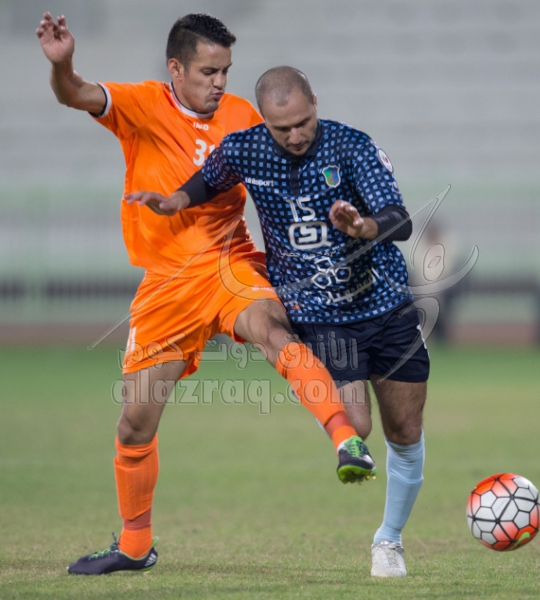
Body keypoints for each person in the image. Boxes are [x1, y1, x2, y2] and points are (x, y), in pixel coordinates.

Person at [37, 17, 376, 576]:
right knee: (134, 425)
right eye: (208, 71)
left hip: (229, 263)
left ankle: (345, 440)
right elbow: (74, 93)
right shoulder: (140, 105)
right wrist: (62, 64)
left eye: (225, 71)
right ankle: (135, 546)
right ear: (176, 68)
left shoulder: (245, 117)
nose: (220, 83)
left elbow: (298, 163)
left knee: (270, 330)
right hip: (167, 285)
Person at [128, 66, 430, 578]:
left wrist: (364, 226)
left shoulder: (352, 147)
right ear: (264, 121)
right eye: (281, 128)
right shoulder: (245, 149)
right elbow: (209, 178)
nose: (294, 136)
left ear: (315, 103)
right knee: (356, 426)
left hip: (385, 304)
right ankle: (341, 438)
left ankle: (389, 539)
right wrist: (176, 199)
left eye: (302, 123)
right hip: (321, 315)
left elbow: (399, 219)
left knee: (405, 431)